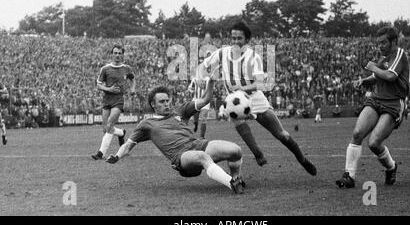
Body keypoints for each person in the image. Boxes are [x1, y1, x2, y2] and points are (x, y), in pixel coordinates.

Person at [197, 21, 317, 176]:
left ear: (246, 40)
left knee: (282, 135)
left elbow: (259, 83)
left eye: (239, 38)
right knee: (238, 119)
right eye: (233, 38)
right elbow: (202, 66)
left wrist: (242, 88)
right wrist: (200, 76)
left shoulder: (254, 57)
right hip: (235, 101)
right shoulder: (222, 53)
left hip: (255, 99)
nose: (235, 42)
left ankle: (302, 159)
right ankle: (258, 153)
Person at [105, 77, 245, 194]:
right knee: (202, 157)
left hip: (198, 144)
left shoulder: (180, 110)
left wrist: (211, 82)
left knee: (235, 150)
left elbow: (206, 99)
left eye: (167, 100)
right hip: (182, 156)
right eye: (162, 102)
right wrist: (117, 156)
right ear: (153, 104)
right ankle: (230, 183)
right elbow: (128, 145)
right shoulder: (146, 124)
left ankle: (236, 178)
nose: (166, 104)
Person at [336, 27, 410, 188]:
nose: (380, 46)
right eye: (379, 43)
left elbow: (390, 76)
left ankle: (391, 167)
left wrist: (373, 67)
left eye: (384, 42)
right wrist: (364, 80)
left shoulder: (399, 54)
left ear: (394, 42)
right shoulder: (383, 58)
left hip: (393, 103)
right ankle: (349, 176)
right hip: (376, 99)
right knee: (357, 133)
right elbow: (376, 77)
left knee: (374, 143)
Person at [91, 44, 136, 160]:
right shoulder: (105, 69)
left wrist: (132, 89)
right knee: (106, 128)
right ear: (112, 54)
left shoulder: (126, 68)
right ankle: (121, 133)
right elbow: (99, 85)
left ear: (122, 55)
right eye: (115, 53)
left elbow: (132, 79)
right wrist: (109, 89)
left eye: (119, 53)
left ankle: (100, 153)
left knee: (110, 124)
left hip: (118, 100)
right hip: (107, 99)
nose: (117, 55)